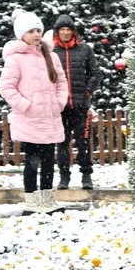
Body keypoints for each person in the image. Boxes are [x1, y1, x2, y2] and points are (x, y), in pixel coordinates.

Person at [0, 11, 69, 210]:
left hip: (50, 117)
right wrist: (25, 105)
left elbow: (61, 82)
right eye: (31, 31)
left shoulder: (51, 56)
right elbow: (6, 87)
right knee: (32, 161)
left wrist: (59, 102)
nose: (37, 34)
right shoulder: (15, 59)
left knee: (49, 160)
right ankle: (31, 202)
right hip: (29, 119)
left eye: (38, 29)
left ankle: (47, 199)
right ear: (21, 34)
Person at [50, 15, 97, 190]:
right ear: (57, 32)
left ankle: (86, 176)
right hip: (60, 107)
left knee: (83, 142)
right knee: (62, 143)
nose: (65, 32)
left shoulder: (85, 50)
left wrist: (87, 92)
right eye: (62, 29)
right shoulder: (52, 52)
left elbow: (96, 73)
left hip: (81, 106)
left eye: (68, 29)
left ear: (73, 32)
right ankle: (64, 177)